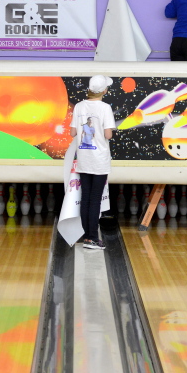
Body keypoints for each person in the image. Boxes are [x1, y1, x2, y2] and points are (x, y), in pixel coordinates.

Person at [70, 75, 117, 250]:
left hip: (83, 157)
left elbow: (73, 133)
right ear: (104, 90)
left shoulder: (80, 106)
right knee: (95, 200)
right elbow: (108, 135)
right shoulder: (105, 108)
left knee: (86, 198)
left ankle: (87, 237)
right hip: (99, 160)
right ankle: (91, 238)